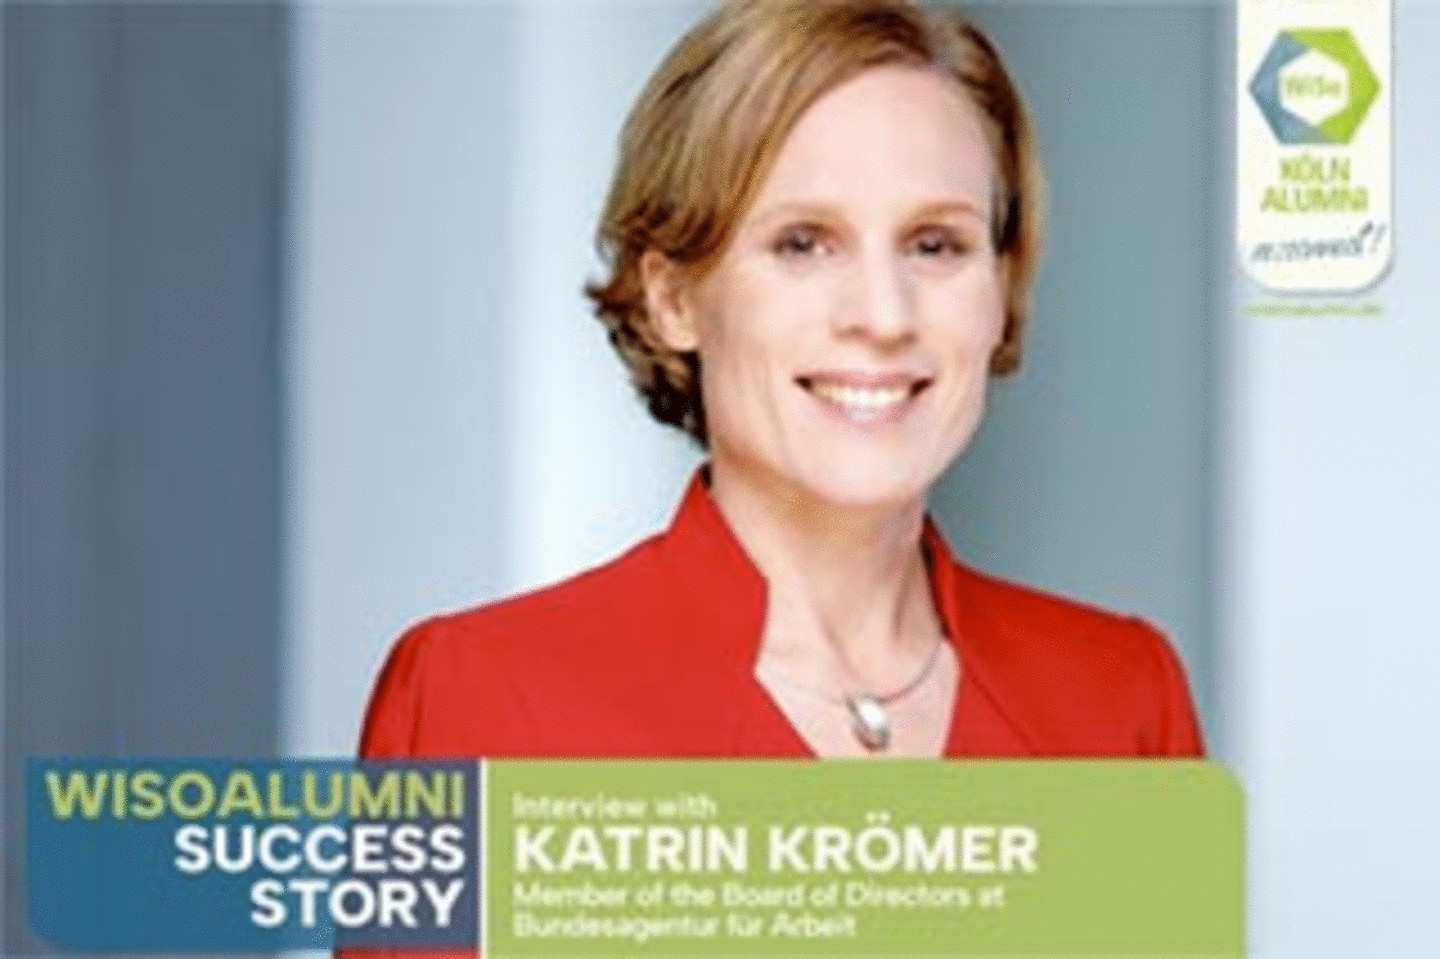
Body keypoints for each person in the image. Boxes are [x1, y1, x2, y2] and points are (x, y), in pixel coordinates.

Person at [359, 0, 1205, 763]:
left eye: (935, 244)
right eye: (803, 243)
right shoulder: (479, 700)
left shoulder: (1122, 701)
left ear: (1000, 285)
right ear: (675, 298)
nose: (883, 314)